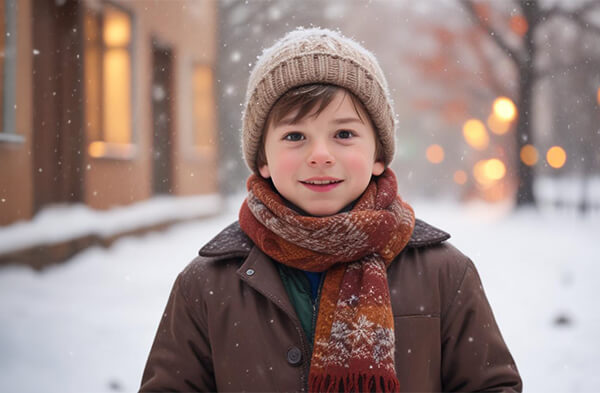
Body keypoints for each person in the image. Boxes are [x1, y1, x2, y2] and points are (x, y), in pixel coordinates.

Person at [140, 27, 522, 393]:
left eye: (343, 134)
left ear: (378, 155)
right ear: (263, 160)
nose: (320, 156)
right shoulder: (208, 285)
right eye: (294, 136)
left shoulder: (443, 274)